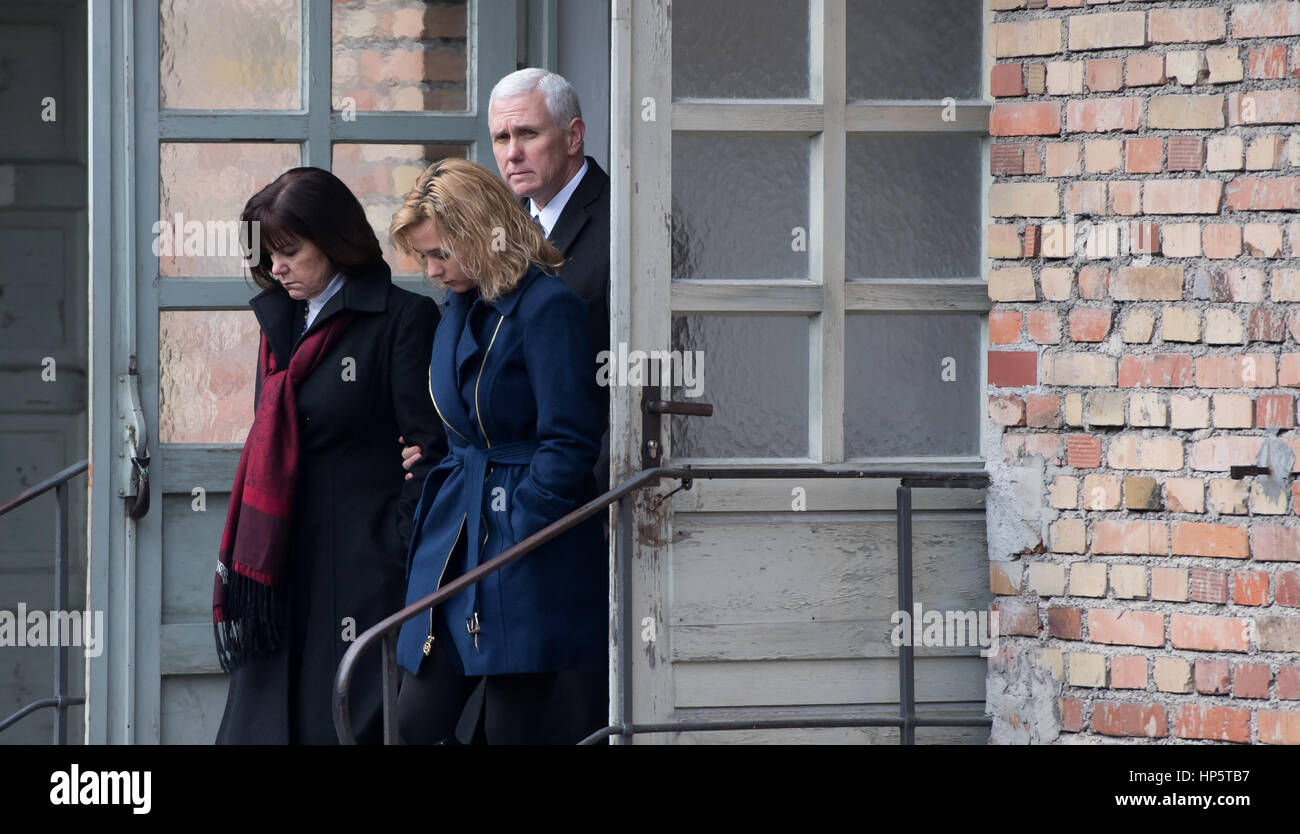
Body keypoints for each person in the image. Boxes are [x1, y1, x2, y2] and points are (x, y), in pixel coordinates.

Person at [213, 166, 447, 745]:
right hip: (277, 567)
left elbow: (429, 454)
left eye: (290, 252)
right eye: (268, 255)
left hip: (358, 574)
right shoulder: (281, 319)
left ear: (337, 241)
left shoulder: (402, 319)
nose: (277, 269)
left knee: (339, 726)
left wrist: (391, 546)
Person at [390, 157, 606, 745]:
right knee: (414, 722)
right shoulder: (456, 307)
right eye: (423, 257)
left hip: (524, 544)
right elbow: (458, 416)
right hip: (457, 533)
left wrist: (528, 517)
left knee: (515, 727)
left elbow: (571, 437)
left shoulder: (548, 307)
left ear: (483, 234)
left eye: (440, 254)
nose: (431, 271)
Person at [402, 68, 610, 490]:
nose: (512, 153)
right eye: (501, 138)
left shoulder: (626, 221)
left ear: (573, 137)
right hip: (493, 494)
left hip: (590, 494)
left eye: (528, 134)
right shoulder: (492, 229)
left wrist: (605, 494)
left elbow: (642, 373)